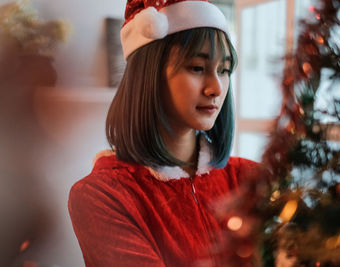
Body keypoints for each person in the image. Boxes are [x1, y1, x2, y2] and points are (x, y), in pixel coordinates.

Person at [68, 0, 259, 266]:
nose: (216, 87)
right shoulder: (103, 196)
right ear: (150, 73)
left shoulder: (250, 179)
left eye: (224, 70)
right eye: (197, 67)